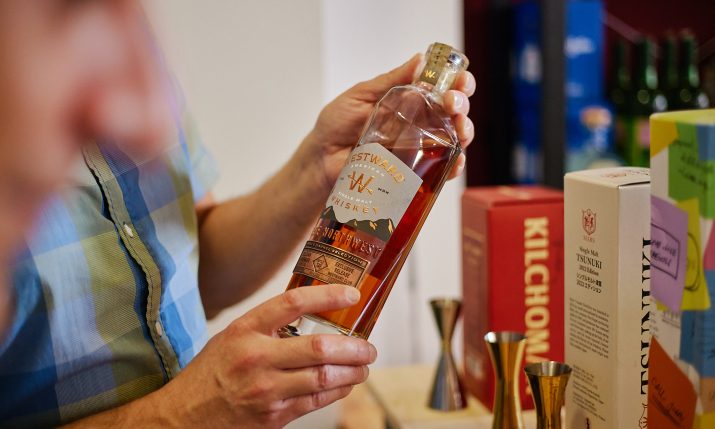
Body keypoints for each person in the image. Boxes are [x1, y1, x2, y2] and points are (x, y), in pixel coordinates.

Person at [0, 2, 475, 428]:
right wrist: (186, 413)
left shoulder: (127, 47)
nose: (152, 118)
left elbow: (193, 267)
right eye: (71, 10)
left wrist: (317, 166)